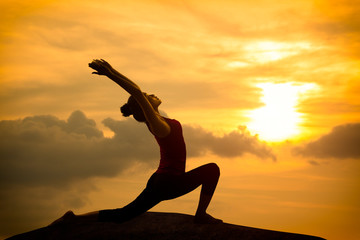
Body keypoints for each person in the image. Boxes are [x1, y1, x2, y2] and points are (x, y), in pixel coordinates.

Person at [51, 59, 222, 225]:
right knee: (212, 170)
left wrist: (112, 69)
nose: (152, 94)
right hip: (168, 182)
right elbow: (137, 92)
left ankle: (73, 218)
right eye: (148, 96)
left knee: (124, 214)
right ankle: (200, 215)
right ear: (145, 105)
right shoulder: (158, 126)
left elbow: (138, 93)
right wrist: (110, 74)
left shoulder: (159, 121)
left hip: (161, 179)